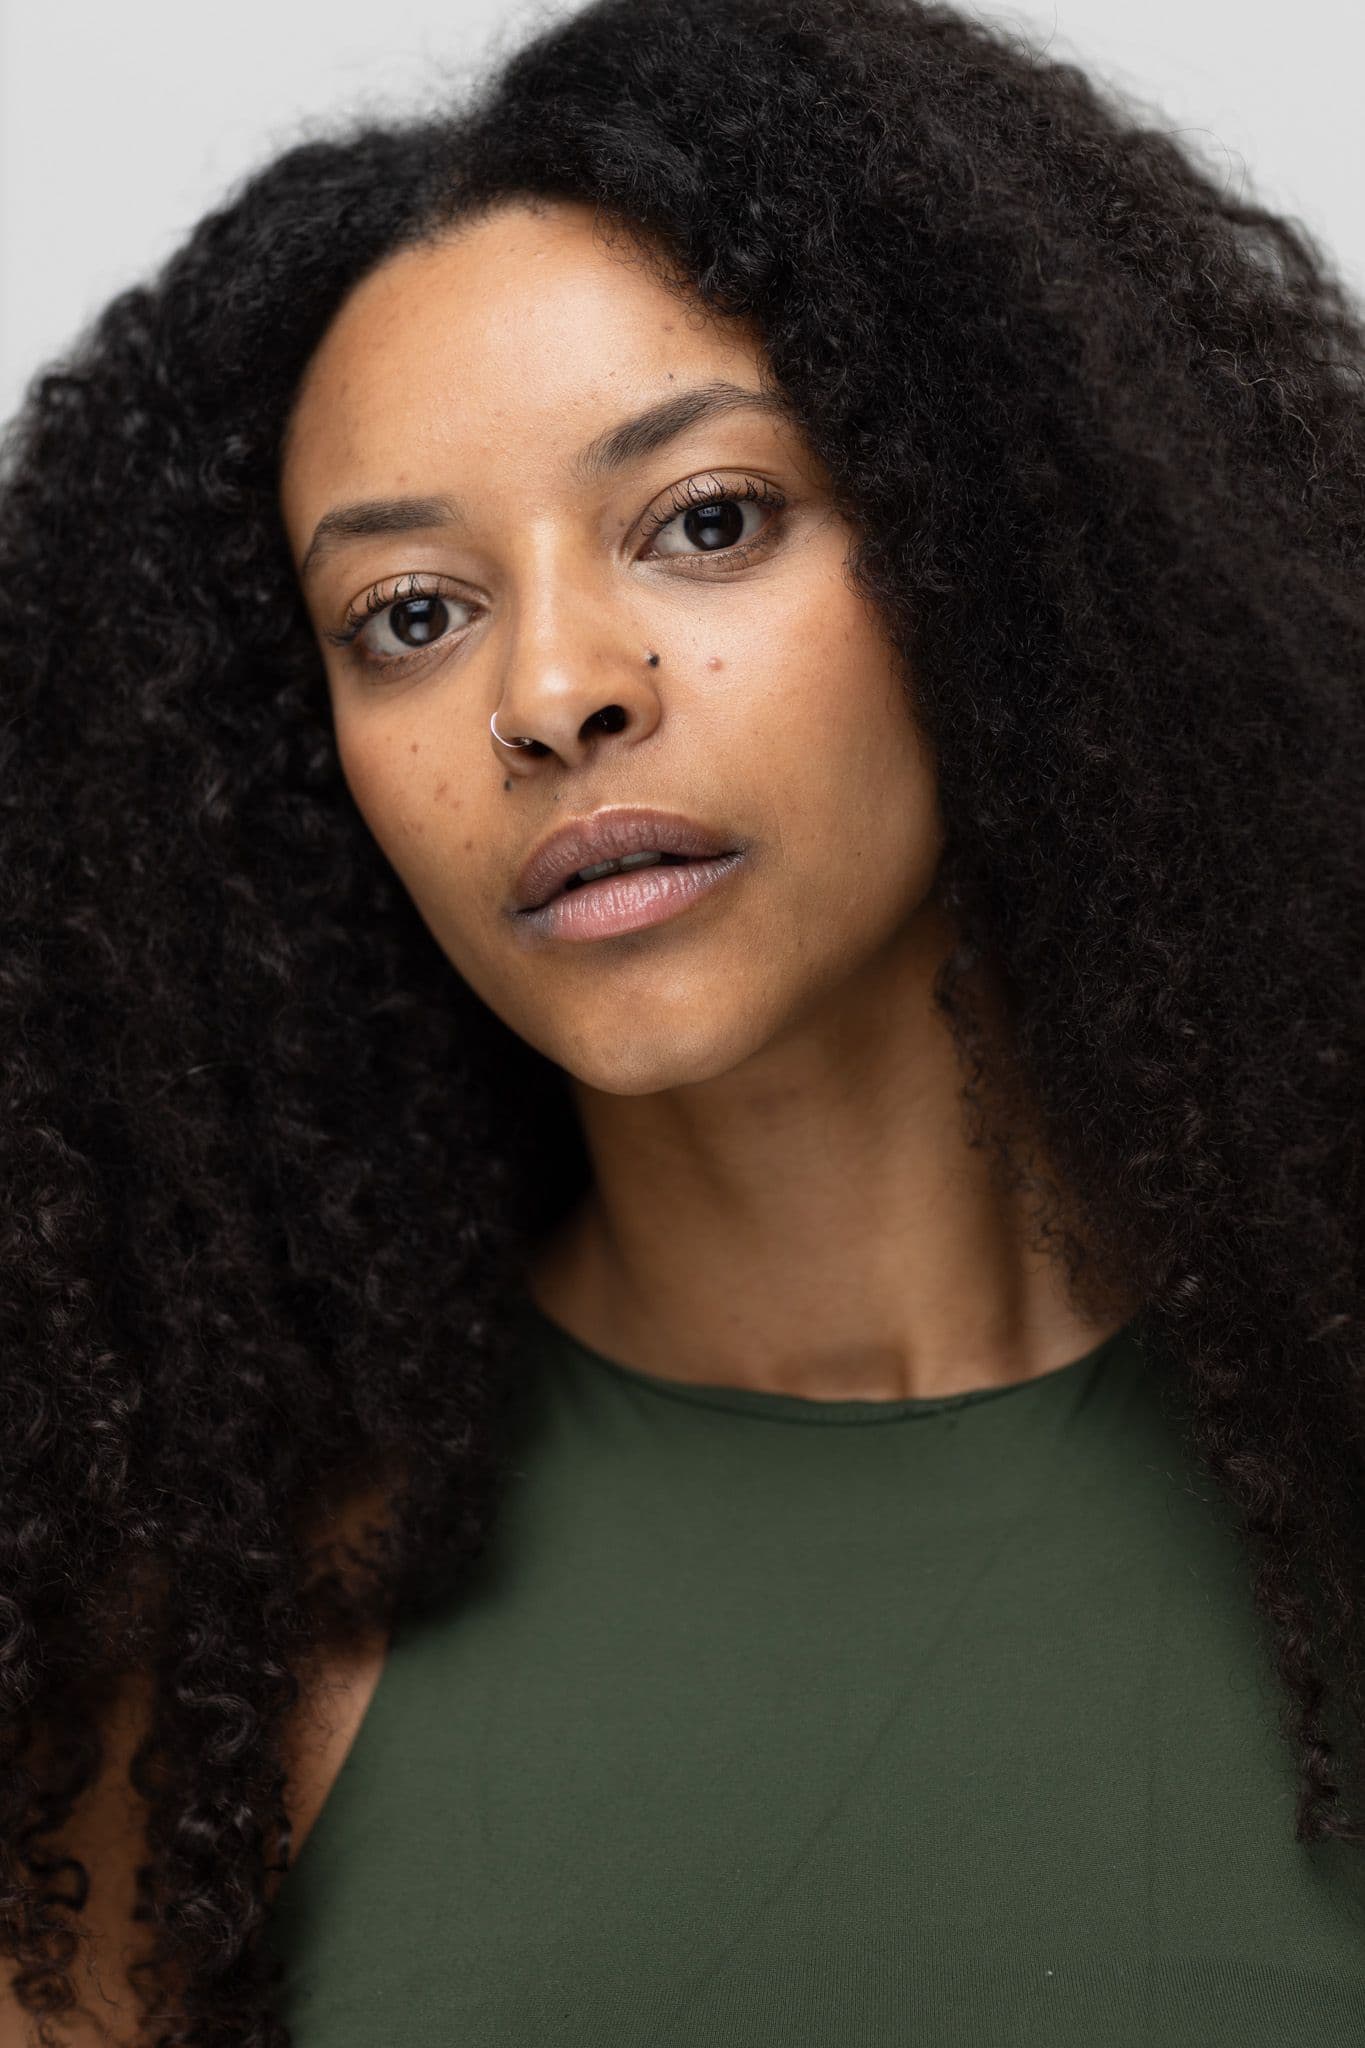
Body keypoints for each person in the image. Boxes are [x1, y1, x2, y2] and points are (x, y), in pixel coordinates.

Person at [2, 0, 1364, 2038]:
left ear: (989, 548)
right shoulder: (214, 1663)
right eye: (410, 615)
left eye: (706, 520)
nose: (553, 694)